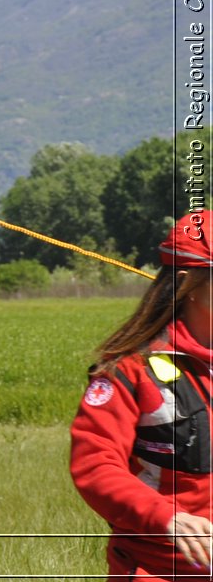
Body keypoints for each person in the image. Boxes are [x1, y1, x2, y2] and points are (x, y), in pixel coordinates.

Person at [71, 210, 213, 580]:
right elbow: (96, 465)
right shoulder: (130, 369)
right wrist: (164, 516)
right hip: (158, 568)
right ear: (188, 284)